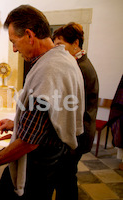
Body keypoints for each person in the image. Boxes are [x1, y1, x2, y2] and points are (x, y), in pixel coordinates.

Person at [0, 5, 85, 200]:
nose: (14, 49)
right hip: (57, 154)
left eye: (14, 41)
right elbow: (53, 114)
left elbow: (28, 142)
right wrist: (17, 123)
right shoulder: (65, 59)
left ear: (29, 35)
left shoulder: (48, 70)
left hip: (39, 164)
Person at [52, 22, 99, 199]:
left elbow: (74, 107)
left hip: (78, 134)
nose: (56, 50)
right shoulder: (77, 63)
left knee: (65, 178)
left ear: (76, 43)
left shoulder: (81, 68)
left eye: (59, 45)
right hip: (76, 133)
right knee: (65, 177)